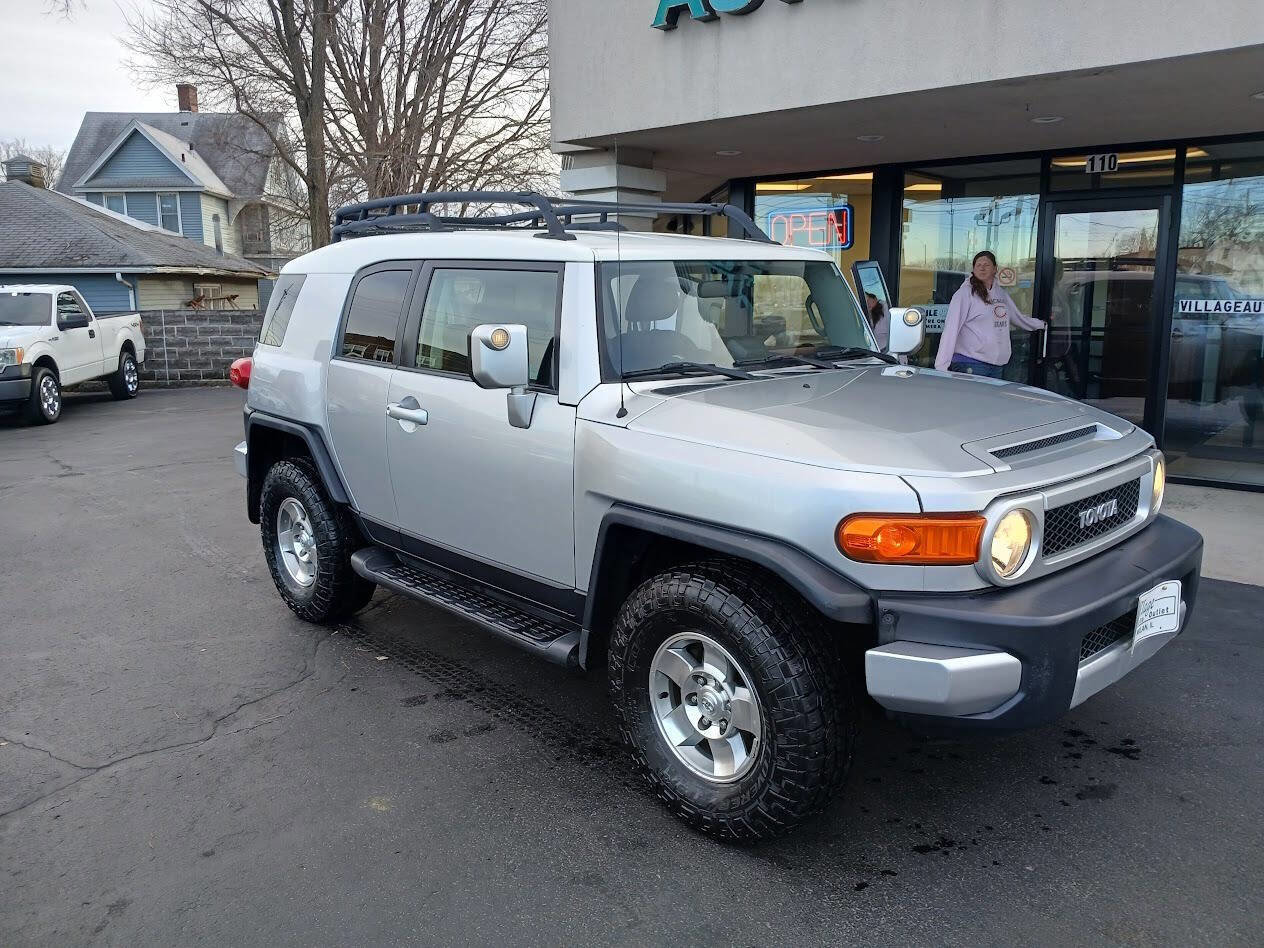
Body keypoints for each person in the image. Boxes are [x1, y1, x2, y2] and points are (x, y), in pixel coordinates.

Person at [934, 250, 1045, 378]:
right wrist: (941, 367)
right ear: (973, 269)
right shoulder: (964, 294)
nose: (982, 268)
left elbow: (1017, 318)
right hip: (971, 364)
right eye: (978, 265)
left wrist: (1041, 324)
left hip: (996, 365)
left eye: (986, 265)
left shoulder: (1001, 294)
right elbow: (951, 330)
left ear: (995, 269)